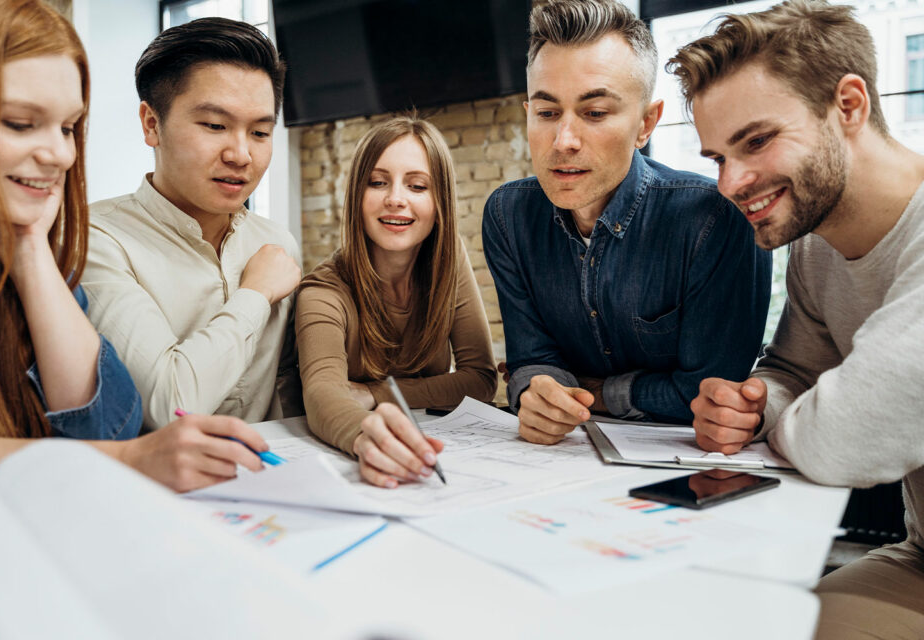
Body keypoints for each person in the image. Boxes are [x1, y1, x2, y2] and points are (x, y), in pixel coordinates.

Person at [0, 0, 271, 493]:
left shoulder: (19, 263)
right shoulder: (104, 239)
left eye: (69, 127)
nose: (59, 154)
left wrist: (30, 248)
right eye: (19, 123)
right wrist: (123, 461)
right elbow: (124, 439)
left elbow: (104, 424)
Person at [670, 1, 924, 636]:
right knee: (742, 620)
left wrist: (796, 417)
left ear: (849, 106)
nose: (729, 183)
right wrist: (754, 406)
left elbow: (845, 436)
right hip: (920, 561)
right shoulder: (815, 251)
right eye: (717, 157)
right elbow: (790, 373)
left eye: (756, 141)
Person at [482, 0, 770, 446]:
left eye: (595, 113)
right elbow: (531, 360)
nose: (564, 141)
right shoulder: (507, 215)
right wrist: (534, 391)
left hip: (687, 467)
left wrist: (596, 392)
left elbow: (707, 395)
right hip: (556, 465)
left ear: (646, 123)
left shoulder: (715, 218)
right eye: (547, 112)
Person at [81, 18, 302, 429]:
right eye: (215, 126)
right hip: (159, 486)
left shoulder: (275, 243)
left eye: (259, 131)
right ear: (151, 124)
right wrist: (255, 294)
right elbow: (170, 406)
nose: (241, 154)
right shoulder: (98, 239)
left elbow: (291, 388)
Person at [296, 117, 497, 488]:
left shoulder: (449, 264)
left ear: (440, 204)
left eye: (417, 186)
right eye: (377, 182)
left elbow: (481, 379)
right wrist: (366, 436)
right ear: (358, 195)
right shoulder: (323, 290)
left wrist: (376, 393)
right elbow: (323, 393)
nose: (395, 199)